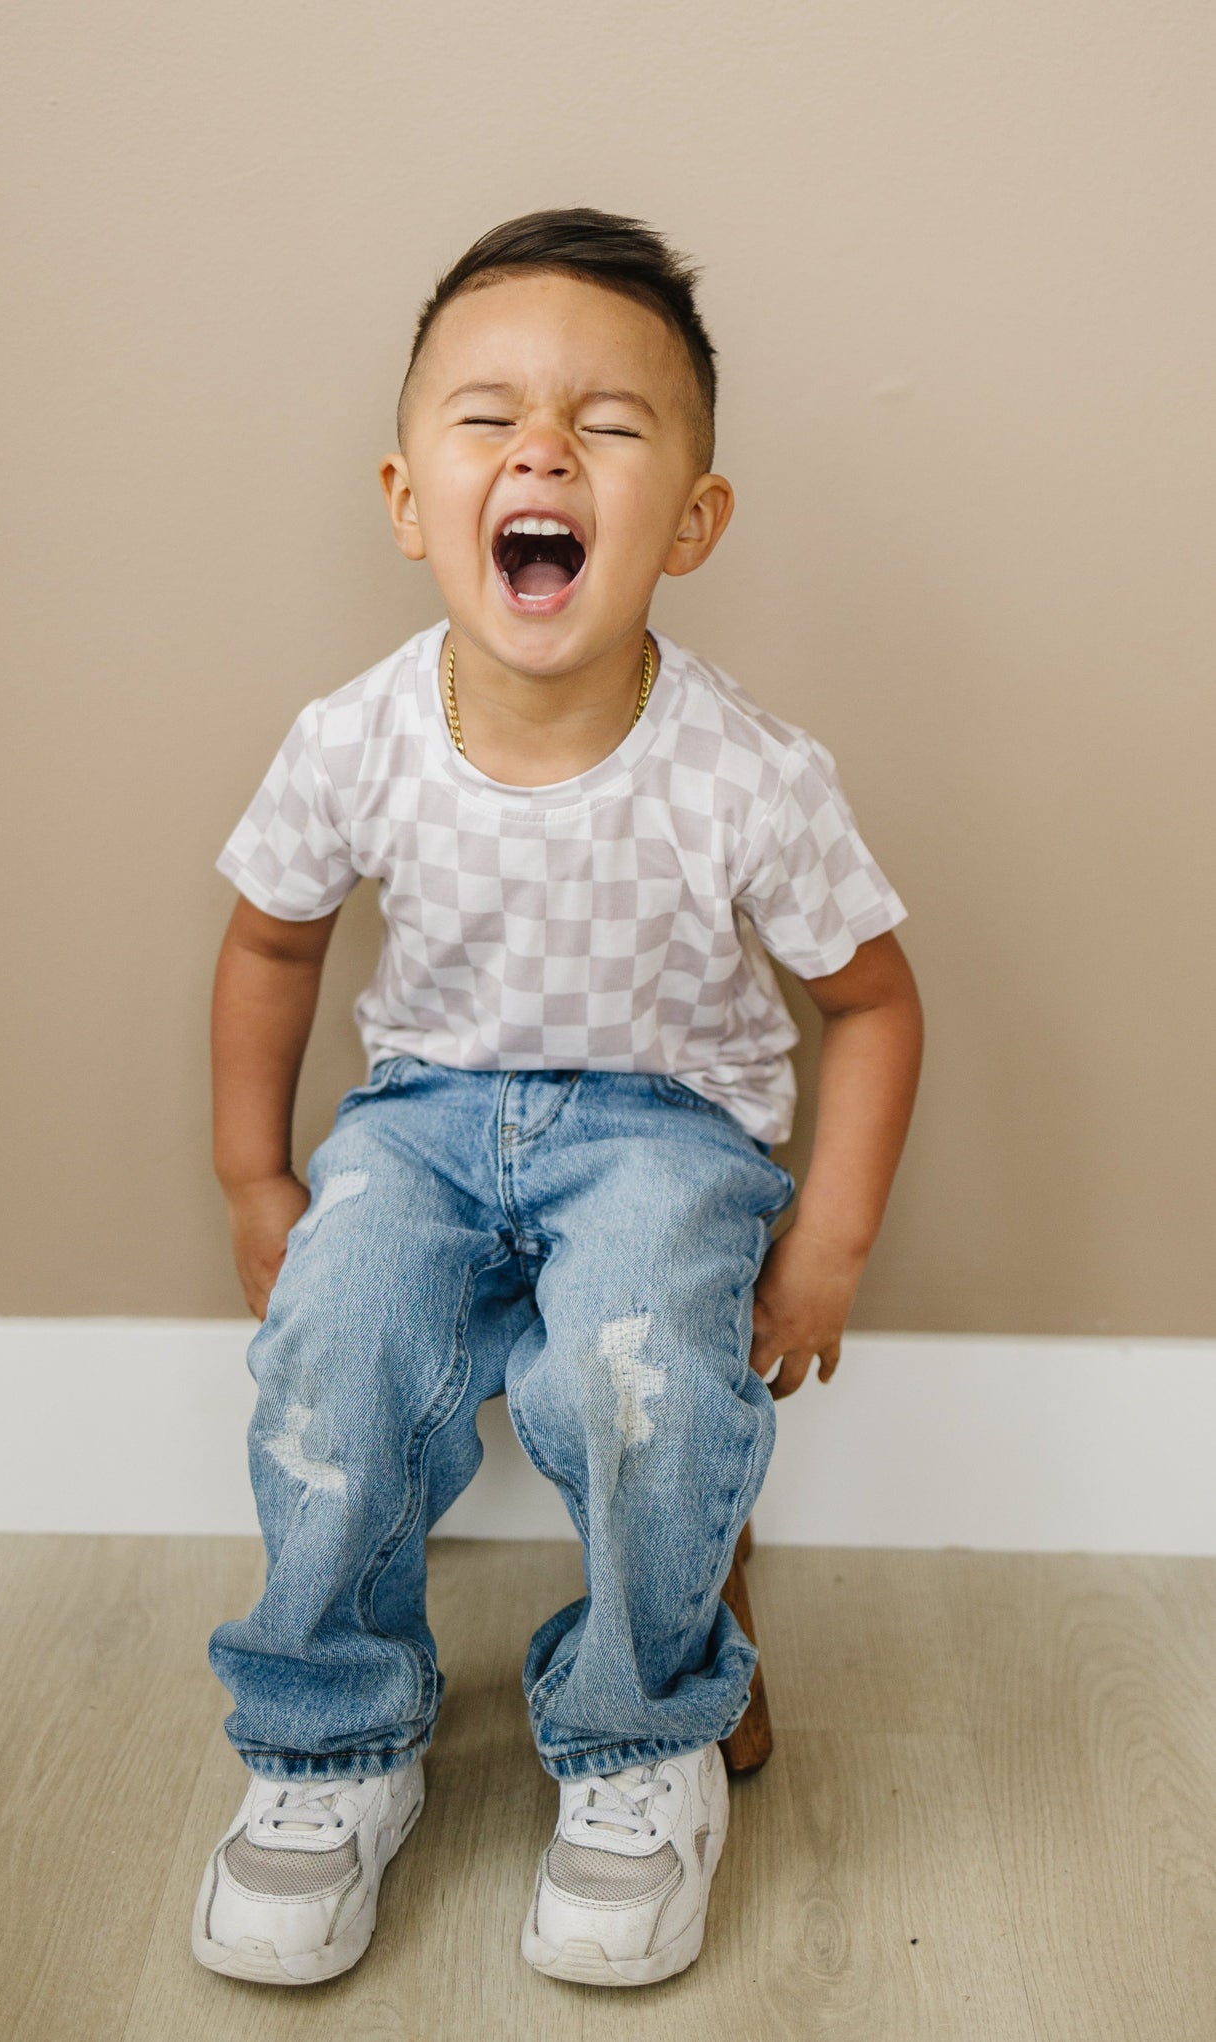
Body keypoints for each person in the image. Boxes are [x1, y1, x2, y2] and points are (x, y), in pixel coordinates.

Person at [191, 208, 924, 1991]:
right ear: (403, 497)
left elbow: (872, 1000)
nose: (539, 450)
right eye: (487, 418)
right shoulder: (351, 738)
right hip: (425, 1118)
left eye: (604, 425)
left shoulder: (746, 772)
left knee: (640, 1355)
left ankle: (640, 1735)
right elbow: (273, 947)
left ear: (687, 519)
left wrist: (825, 1239)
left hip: (663, 1128)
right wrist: (251, 1179)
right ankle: (324, 1747)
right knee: (339, 1336)